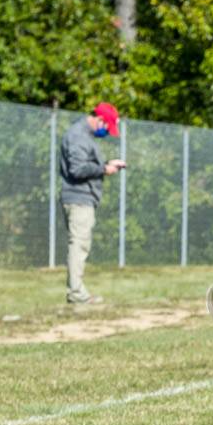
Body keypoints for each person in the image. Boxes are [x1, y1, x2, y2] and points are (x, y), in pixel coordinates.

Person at [59, 102, 124, 304]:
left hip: (82, 197)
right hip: (79, 198)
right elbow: (77, 169)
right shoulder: (78, 136)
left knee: (80, 244)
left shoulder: (84, 136)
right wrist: (104, 169)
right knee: (79, 245)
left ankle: (77, 291)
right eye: (107, 127)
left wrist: (106, 165)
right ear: (101, 120)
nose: (106, 132)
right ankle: (77, 293)